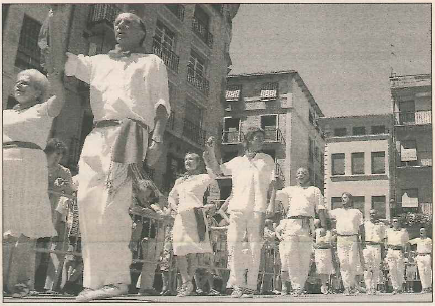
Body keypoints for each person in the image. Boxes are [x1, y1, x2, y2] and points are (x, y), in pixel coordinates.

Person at [63, 12, 170, 302]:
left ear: (142, 32)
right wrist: (56, 14)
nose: (120, 25)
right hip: (97, 134)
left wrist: (157, 138)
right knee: (87, 203)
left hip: (129, 132)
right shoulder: (97, 62)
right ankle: (94, 281)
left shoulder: (151, 62)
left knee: (112, 207)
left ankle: (115, 280)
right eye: (118, 22)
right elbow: (61, 56)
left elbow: (161, 103)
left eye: (129, 22)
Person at [3, 10, 65, 295]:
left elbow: (60, 98)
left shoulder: (43, 110)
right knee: (3, 227)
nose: (19, 84)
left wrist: (53, 69)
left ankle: (20, 284)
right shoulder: (4, 113)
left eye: (26, 82)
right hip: (3, 164)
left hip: (28, 165)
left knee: (24, 228)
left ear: (39, 90)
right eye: (18, 81)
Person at [203, 128, 276, 298]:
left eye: (262, 139)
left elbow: (273, 184)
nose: (261, 141)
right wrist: (212, 150)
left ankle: (251, 285)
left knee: (254, 246)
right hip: (237, 209)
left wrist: (271, 204)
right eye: (258, 138)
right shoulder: (236, 162)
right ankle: (237, 285)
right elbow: (217, 170)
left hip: (258, 209)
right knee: (234, 245)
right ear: (249, 140)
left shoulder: (267, 160)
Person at [168, 152, 217, 297]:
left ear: (197, 163)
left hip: (195, 215)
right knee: (179, 248)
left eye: (191, 159)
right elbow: (171, 196)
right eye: (185, 159)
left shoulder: (202, 178)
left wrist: (208, 159)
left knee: (193, 250)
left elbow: (214, 175)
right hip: (181, 215)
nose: (187, 161)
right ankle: (187, 281)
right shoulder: (179, 181)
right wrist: (174, 206)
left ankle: (187, 284)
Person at [274, 167, 327, 296]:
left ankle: (300, 286)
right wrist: (275, 182)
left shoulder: (314, 190)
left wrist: (324, 227)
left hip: (306, 224)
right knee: (290, 254)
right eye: (298, 173)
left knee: (304, 256)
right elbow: (275, 194)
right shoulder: (289, 190)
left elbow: (320, 209)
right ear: (296, 177)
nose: (301, 175)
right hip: (291, 223)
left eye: (304, 173)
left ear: (309, 176)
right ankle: (295, 285)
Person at [43, 139, 75, 293]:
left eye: (61, 155)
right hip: (36, 213)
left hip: (53, 217)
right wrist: (51, 187)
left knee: (53, 252)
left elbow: (71, 193)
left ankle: (49, 288)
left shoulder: (65, 172)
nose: (58, 157)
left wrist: (65, 187)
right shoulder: (38, 167)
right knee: (33, 249)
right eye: (56, 154)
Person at [328, 192, 364, 296]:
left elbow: (361, 227)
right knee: (343, 262)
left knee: (352, 262)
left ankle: (352, 286)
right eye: (342, 198)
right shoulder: (337, 211)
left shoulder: (357, 212)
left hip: (352, 238)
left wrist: (363, 240)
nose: (343, 200)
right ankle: (347, 287)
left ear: (351, 200)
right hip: (340, 239)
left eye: (345, 198)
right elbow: (324, 216)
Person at [362, 209, 386, 295]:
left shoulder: (381, 225)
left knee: (376, 268)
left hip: (377, 246)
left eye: (374, 213)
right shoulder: (365, 224)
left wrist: (384, 251)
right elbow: (361, 235)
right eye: (371, 213)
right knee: (367, 268)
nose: (372, 215)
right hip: (367, 246)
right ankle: (368, 287)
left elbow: (383, 238)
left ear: (377, 214)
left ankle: (374, 287)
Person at [385, 218, 409, 294]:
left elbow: (406, 242)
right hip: (390, 250)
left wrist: (406, 252)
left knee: (399, 269)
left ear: (399, 222)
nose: (395, 223)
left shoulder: (403, 231)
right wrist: (386, 250)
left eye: (397, 221)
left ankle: (400, 287)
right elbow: (385, 240)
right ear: (392, 223)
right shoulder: (388, 230)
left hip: (399, 251)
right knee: (392, 269)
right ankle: (395, 288)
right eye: (394, 221)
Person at [313, 221, 334, 295]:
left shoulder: (330, 231)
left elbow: (332, 241)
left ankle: (328, 285)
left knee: (328, 269)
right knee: (321, 268)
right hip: (319, 251)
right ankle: (324, 285)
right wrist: (314, 245)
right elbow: (311, 239)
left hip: (328, 251)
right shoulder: (316, 231)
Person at [408, 227, 432, 294]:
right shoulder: (417, 239)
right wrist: (410, 251)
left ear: (425, 232)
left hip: (427, 255)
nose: (421, 232)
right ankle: (424, 288)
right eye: (420, 231)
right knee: (421, 273)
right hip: (419, 256)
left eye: (423, 231)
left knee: (427, 271)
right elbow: (408, 242)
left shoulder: (429, 240)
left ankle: (429, 287)